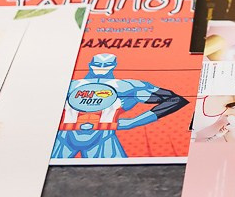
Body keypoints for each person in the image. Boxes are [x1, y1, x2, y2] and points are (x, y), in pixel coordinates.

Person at [52, 53, 188, 159]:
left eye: (106, 64)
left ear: (114, 65)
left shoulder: (126, 86)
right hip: (65, 137)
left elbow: (175, 100)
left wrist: (133, 122)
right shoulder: (71, 84)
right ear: (90, 64)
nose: (101, 67)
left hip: (103, 137)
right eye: (98, 64)